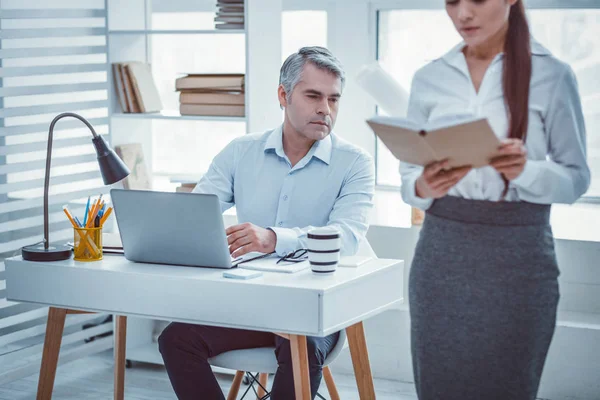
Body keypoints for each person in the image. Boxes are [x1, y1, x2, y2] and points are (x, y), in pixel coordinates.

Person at [158, 46, 375, 400]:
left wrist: (275, 238)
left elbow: (346, 237)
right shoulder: (241, 152)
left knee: (299, 346)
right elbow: (195, 213)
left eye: (334, 99)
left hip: (314, 310)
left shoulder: (354, 163)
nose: (326, 109)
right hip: (250, 304)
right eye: (313, 96)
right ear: (282, 95)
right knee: (176, 339)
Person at [400, 1, 590, 399]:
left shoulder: (553, 76)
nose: (463, 14)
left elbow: (576, 179)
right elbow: (407, 176)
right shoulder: (429, 77)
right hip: (441, 256)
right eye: (452, 2)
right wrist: (424, 186)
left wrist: (526, 171)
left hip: (519, 261)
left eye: (477, 0)